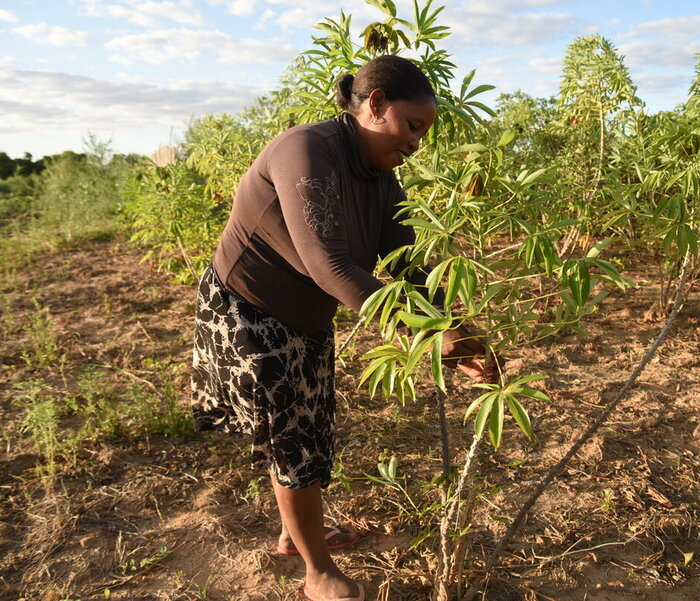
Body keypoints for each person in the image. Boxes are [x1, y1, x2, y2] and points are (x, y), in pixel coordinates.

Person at [190, 55, 488, 601]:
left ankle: (293, 533)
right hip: (251, 309)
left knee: (312, 429)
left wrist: (458, 329)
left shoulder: (379, 177)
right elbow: (329, 265)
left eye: (423, 132)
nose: (416, 144)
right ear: (375, 105)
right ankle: (317, 572)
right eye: (412, 126)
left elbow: (407, 266)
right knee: (294, 444)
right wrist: (425, 336)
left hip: (309, 315)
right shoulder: (305, 150)